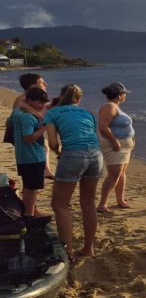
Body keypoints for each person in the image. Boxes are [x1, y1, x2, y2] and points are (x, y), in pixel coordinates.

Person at [44, 84, 104, 259]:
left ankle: (68, 250)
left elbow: (53, 143)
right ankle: (88, 248)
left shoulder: (53, 113)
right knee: (88, 202)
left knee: (60, 205)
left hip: (73, 154)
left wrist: (59, 153)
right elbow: (94, 136)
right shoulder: (88, 114)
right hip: (96, 155)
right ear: (79, 100)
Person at [10, 87, 50, 217]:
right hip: (33, 157)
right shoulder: (28, 117)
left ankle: (29, 213)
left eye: (43, 103)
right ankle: (29, 214)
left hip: (23, 157)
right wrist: (43, 128)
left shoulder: (17, 112)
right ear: (29, 101)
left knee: (29, 186)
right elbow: (28, 138)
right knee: (32, 189)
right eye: (39, 102)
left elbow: (11, 119)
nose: (41, 106)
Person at [96, 82, 135, 213]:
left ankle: (120, 200)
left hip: (124, 147)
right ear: (119, 95)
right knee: (114, 174)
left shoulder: (115, 107)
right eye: (124, 93)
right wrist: (114, 141)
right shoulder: (109, 107)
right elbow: (103, 127)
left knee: (121, 173)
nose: (125, 95)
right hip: (115, 146)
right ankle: (103, 203)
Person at [7, 73, 54, 179]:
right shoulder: (23, 98)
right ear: (32, 85)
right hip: (23, 131)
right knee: (34, 155)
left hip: (28, 128)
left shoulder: (29, 97)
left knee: (44, 147)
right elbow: (21, 110)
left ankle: (45, 170)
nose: (45, 84)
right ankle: (44, 171)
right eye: (41, 82)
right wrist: (41, 117)